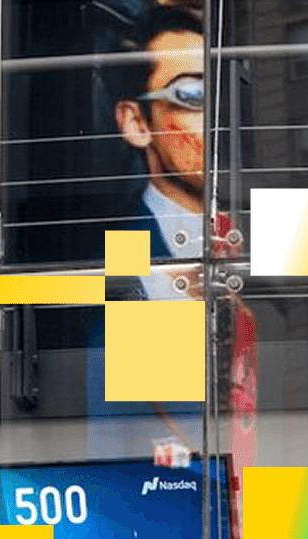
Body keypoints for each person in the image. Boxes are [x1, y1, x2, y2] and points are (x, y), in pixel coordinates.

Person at [87, 0, 257, 498]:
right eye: (193, 95)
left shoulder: (259, 233)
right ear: (135, 122)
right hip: (175, 515)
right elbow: (135, 449)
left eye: (221, 95)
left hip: (277, 508)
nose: (217, 119)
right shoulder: (126, 261)